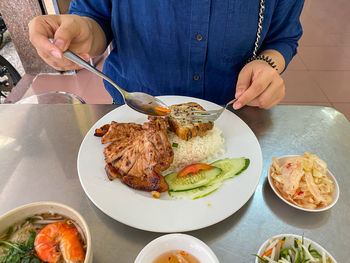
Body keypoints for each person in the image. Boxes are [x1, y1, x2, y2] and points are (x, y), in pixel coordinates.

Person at [29, 0, 304, 109]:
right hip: (136, 109)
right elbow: (96, 18)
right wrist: (83, 31)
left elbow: (283, 37)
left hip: (232, 113)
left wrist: (268, 64)